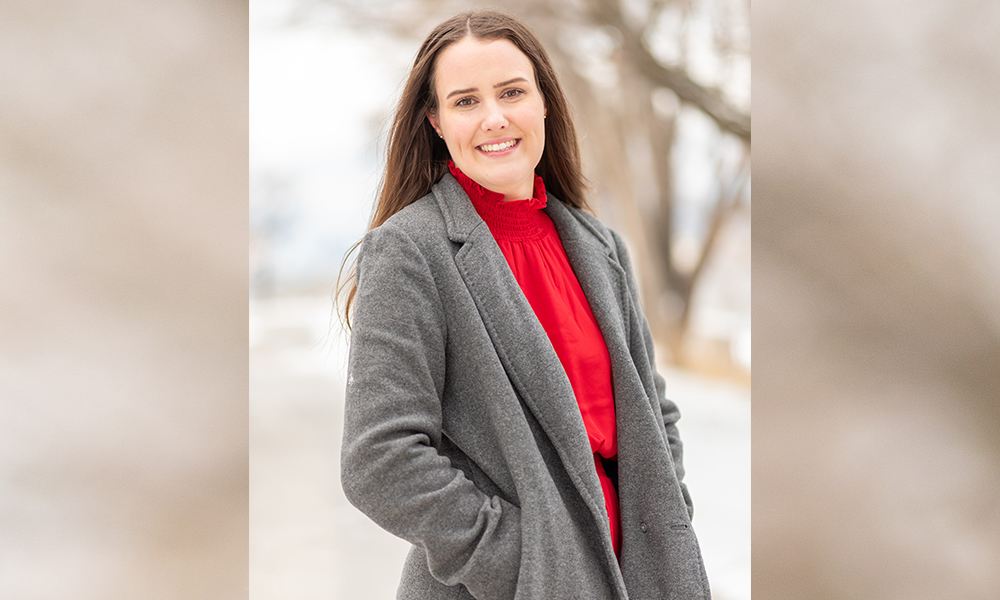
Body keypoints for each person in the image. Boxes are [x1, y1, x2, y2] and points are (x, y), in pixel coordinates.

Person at [338, 10, 710, 600]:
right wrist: (524, 561)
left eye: (512, 91)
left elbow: (652, 412)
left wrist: (666, 521)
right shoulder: (410, 251)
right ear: (434, 122)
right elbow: (380, 459)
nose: (495, 117)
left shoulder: (599, 245)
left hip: (639, 578)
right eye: (465, 101)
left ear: (543, 102)